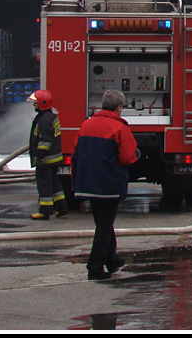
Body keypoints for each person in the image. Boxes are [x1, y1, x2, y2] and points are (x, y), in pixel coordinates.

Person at [72, 89, 138, 280]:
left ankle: (112, 260)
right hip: (109, 183)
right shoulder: (119, 128)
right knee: (104, 225)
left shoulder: (86, 125)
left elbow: (76, 153)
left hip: (87, 183)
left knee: (103, 222)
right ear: (119, 107)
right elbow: (127, 157)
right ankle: (95, 267)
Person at [27, 90, 68, 220]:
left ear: (42, 104)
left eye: (36, 103)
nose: (34, 106)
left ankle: (45, 211)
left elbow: (45, 141)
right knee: (55, 183)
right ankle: (61, 208)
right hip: (53, 159)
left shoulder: (44, 120)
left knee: (44, 184)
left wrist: (39, 157)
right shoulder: (50, 116)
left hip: (46, 159)